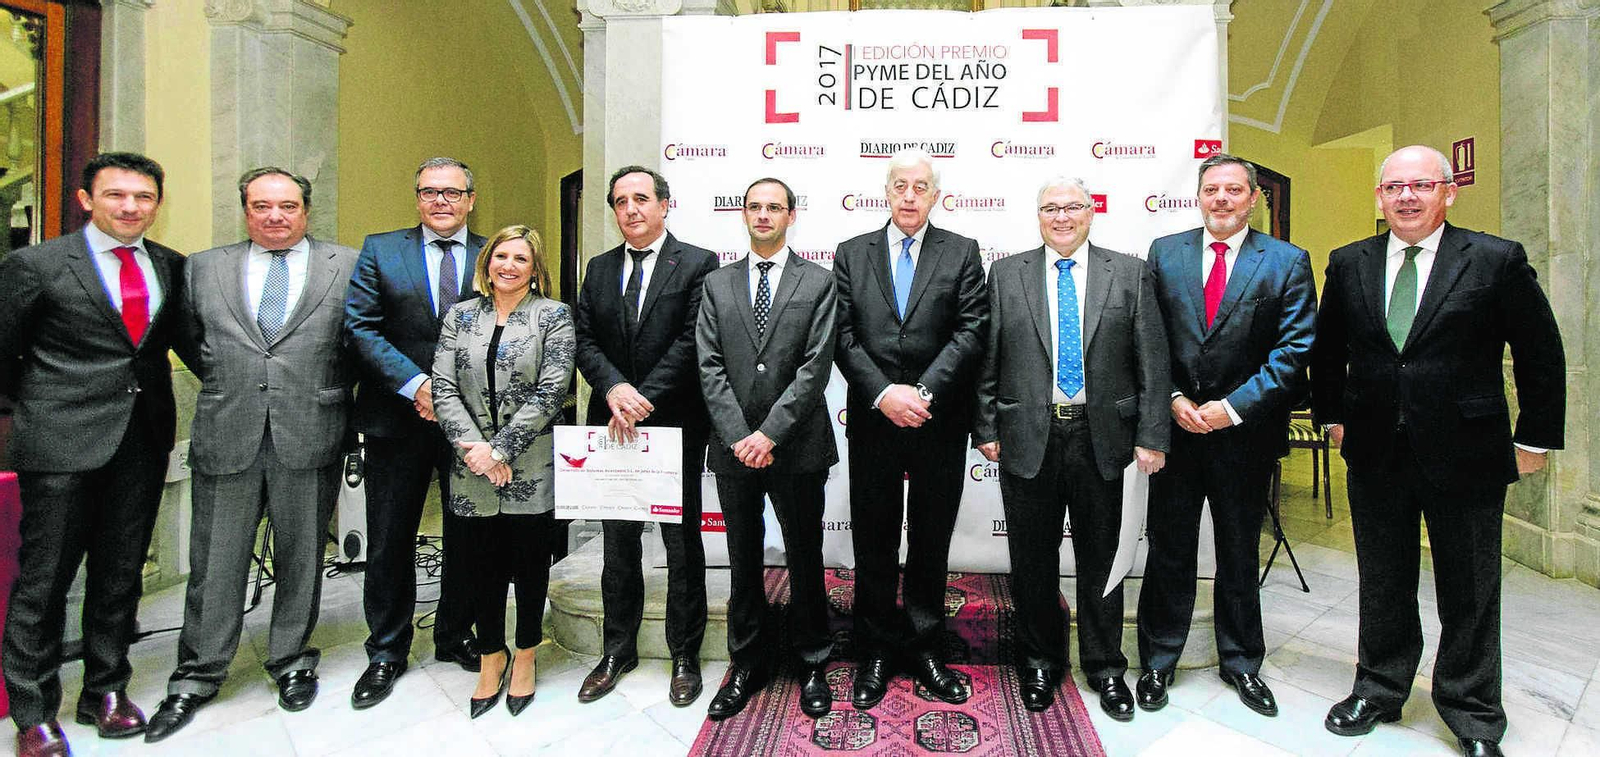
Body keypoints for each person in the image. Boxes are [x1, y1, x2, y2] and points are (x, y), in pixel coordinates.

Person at [1312, 145, 1565, 757]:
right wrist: (1333, 420)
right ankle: (1379, 687)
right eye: (1394, 186)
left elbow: (1541, 352)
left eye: (1421, 185)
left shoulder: (1495, 259)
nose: (1406, 196)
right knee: (1383, 580)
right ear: (1379, 196)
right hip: (1374, 452)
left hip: (1468, 450)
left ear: (1448, 192)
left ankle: (1474, 713)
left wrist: (1532, 439)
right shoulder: (1349, 263)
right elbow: (1326, 352)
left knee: (1470, 586)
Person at [143, 168, 358, 741]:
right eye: (261, 206)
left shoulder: (348, 264)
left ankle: (291, 658)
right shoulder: (204, 267)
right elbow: (189, 340)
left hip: (311, 429)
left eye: (287, 206)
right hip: (229, 429)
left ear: (306, 211)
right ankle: (197, 674)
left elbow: (359, 341)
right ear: (245, 210)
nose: (275, 216)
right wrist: (226, 379)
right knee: (215, 561)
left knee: (302, 555)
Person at [0, 153, 191, 757]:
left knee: (119, 573)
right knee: (45, 580)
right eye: (116, 195)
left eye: (143, 197)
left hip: (140, 442)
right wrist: (45, 406)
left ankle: (106, 690)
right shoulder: (35, 265)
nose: (130, 207)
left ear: (157, 204)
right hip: (59, 444)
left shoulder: (171, 266)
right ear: (87, 199)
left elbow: (181, 346)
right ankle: (33, 714)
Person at [973, 176, 1169, 718]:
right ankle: (1039, 662)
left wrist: (1152, 435)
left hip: (1103, 438)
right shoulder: (1006, 272)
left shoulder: (1128, 272)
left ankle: (1106, 667)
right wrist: (985, 426)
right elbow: (989, 357)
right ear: (1038, 216)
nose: (1062, 217)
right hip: (1026, 437)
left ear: (1091, 212)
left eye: (1073, 207)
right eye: (1050, 208)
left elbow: (1152, 360)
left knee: (1101, 558)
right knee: (1031, 559)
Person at [1136, 154, 1316, 718]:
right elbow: (1148, 339)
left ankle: (1241, 663)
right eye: (1212, 189)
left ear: (1254, 197)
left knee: (1239, 553)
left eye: (1234, 190)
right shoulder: (1165, 254)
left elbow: (1294, 350)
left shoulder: (1286, 261)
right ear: (1198, 195)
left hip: (1244, 437)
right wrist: (1173, 400)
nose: (1222, 199)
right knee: (1170, 551)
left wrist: (1231, 409)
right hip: (1177, 431)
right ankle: (1159, 660)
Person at [831, 148, 987, 709]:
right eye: (900, 185)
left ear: (935, 194)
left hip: (937, 422)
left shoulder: (963, 252)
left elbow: (972, 331)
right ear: (887, 191)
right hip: (873, 422)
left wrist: (921, 393)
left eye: (921, 186)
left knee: (929, 540)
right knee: (873, 540)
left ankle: (924, 647)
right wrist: (883, 393)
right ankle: (874, 650)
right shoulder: (851, 254)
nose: (910, 196)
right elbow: (841, 334)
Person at [573, 166, 718, 706]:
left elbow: (692, 340)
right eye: (619, 201)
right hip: (612, 424)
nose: (630, 209)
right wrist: (613, 388)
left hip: (673, 420)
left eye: (640, 199)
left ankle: (684, 652)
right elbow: (583, 338)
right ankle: (617, 650)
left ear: (664, 205)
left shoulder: (698, 263)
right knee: (618, 543)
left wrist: (642, 396)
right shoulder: (599, 267)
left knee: (682, 546)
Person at [344, 157, 484, 709]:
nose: (441, 202)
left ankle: (456, 634)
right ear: (417, 198)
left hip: (474, 426)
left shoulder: (495, 255)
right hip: (396, 418)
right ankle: (386, 650)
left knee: (469, 536)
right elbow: (361, 326)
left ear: (472, 199)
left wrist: (456, 398)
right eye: (429, 192)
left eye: (452, 192)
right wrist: (416, 384)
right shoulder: (381, 250)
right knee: (389, 539)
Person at [696, 177, 838, 721]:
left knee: (804, 556)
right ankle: (747, 664)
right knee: (743, 559)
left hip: (797, 446)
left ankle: (812, 662)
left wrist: (769, 434)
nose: (762, 215)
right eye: (754, 207)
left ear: (791, 215)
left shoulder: (819, 281)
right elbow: (708, 365)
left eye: (773, 207)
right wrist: (739, 435)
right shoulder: (717, 283)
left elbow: (815, 367)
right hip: (733, 448)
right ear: (743, 214)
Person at [432, 224, 574, 718]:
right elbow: (443, 386)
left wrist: (501, 450)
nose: (508, 266)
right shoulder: (460, 315)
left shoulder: (553, 316)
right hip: (469, 464)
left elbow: (553, 389)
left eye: (521, 259)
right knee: (480, 567)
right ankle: (492, 655)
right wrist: (476, 450)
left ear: (535, 270)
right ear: (486, 263)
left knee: (529, 568)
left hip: (529, 464)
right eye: (501, 256)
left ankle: (526, 655)